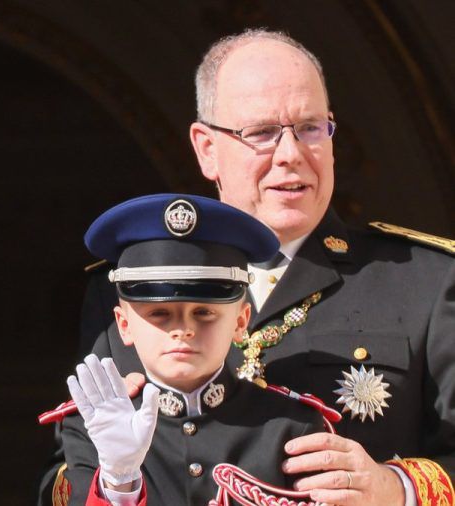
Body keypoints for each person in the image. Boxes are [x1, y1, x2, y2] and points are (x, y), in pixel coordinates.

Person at [50, 28, 455, 506]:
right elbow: (65, 477)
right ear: (206, 148)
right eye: (262, 133)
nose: (291, 155)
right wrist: (118, 481)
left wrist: (395, 488)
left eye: (310, 128)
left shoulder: (425, 281)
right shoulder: (124, 287)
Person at [58, 193, 333, 505]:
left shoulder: (292, 425)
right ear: (123, 325)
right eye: (159, 314)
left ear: (240, 321)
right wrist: (118, 482)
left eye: (204, 313)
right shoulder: (92, 427)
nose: (183, 330)